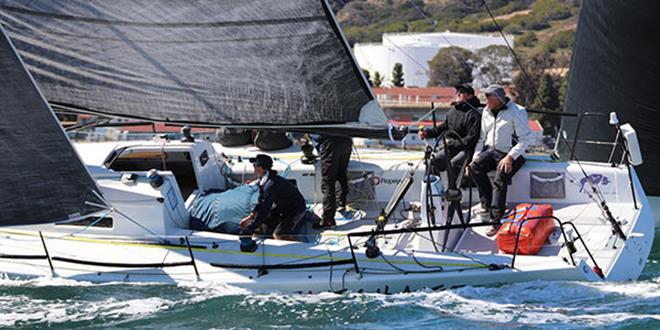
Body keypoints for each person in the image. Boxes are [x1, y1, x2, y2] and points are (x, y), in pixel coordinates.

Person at [466, 84, 534, 236]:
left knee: (500, 175)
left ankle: (495, 219)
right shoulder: (486, 111)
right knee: (473, 168)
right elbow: (482, 138)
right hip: (492, 151)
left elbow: (526, 139)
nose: (486, 100)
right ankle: (487, 204)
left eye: (489, 97)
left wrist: (510, 156)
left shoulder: (517, 111)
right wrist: (475, 158)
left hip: (513, 153)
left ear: (498, 98)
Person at [239, 154, 307, 250]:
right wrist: (251, 216)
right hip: (283, 207)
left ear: (263, 168)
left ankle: (303, 249)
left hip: (295, 209)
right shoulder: (265, 180)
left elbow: (265, 208)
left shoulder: (271, 185)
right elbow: (261, 201)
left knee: (278, 235)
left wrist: (252, 227)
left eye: (256, 166)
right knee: (263, 226)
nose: (254, 168)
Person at [419, 83, 482, 186]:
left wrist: (451, 143)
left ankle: (453, 196)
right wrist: (427, 133)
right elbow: (442, 128)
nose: (458, 93)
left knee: (454, 164)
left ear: (470, 95)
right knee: (433, 161)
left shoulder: (474, 114)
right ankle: (436, 194)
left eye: (461, 92)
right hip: (451, 148)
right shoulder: (452, 112)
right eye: (457, 91)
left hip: (466, 150)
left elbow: (471, 139)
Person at [312, 134, 353, 229]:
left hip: (329, 144)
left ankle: (328, 219)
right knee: (341, 173)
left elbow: (298, 134)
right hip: (346, 140)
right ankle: (341, 202)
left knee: (328, 182)